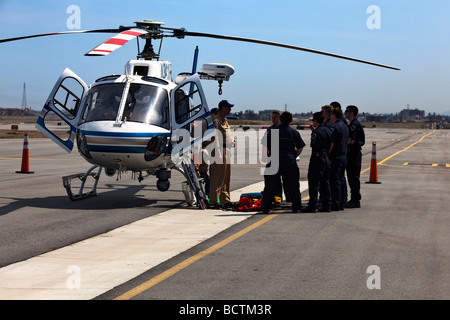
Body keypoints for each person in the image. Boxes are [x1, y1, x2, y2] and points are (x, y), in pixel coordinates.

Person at [261, 111, 305, 213]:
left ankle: (265, 207)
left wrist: (267, 155)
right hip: (289, 160)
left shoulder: (272, 131)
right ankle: (296, 206)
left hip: (274, 159)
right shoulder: (293, 132)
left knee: (270, 185)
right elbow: (300, 147)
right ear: (290, 120)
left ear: (280, 119)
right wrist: (294, 156)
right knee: (293, 184)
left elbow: (265, 145)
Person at [302, 112, 332, 213]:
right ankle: (327, 205)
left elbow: (314, 146)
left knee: (314, 182)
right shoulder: (327, 130)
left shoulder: (317, 132)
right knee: (325, 182)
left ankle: (312, 205)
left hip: (317, 159)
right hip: (326, 157)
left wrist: (313, 133)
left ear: (315, 120)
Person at [208, 100, 235, 209]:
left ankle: (225, 199)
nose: (230, 109)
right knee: (217, 176)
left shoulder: (225, 120)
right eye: (228, 107)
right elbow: (215, 137)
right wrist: (218, 152)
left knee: (226, 177)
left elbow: (227, 134)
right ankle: (213, 200)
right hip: (219, 151)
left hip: (227, 150)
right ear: (222, 108)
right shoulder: (216, 120)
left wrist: (232, 140)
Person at [262, 110, 284, 203]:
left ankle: (280, 197)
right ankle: (271, 197)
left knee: (286, 180)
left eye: (275, 117)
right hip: (273, 157)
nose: (273, 119)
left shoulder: (284, 129)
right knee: (269, 177)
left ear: (280, 118)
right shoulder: (270, 130)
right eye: (272, 118)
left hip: (283, 157)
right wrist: (265, 155)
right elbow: (264, 143)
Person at [344, 105, 365, 208]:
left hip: (353, 154)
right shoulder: (352, 124)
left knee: (353, 177)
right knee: (352, 177)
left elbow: (350, 140)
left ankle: (355, 200)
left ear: (352, 112)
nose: (345, 113)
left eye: (347, 111)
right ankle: (355, 198)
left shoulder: (354, 125)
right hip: (353, 154)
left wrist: (348, 142)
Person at [329, 108, 349, 211]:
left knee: (335, 180)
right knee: (341, 179)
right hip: (343, 156)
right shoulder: (345, 126)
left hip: (336, 157)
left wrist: (328, 154)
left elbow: (331, 144)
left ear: (333, 115)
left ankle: (336, 203)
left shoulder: (335, 127)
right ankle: (341, 202)